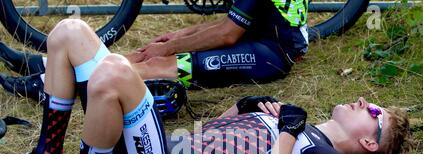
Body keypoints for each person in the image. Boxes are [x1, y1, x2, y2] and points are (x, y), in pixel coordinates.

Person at [0, 19, 410, 154]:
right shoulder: (291, 119)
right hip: (159, 150)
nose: (364, 102)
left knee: (115, 73)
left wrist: (288, 131)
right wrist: (247, 107)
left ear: (368, 142)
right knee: (69, 33)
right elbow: (216, 132)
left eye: (374, 112)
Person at [0, 0, 309, 101]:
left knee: (156, 66)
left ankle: (46, 86)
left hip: (268, 57)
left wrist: (172, 46)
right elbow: (238, 22)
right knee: (136, 57)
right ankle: (45, 63)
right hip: (256, 40)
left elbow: (228, 35)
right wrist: (180, 33)